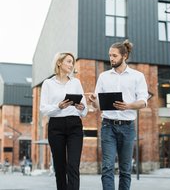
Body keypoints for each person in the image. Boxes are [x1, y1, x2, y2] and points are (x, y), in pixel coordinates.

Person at [89, 40, 148, 190]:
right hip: (108, 125)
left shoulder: (137, 76)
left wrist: (128, 105)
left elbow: (143, 102)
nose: (111, 58)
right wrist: (94, 101)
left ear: (125, 56)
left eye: (114, 55)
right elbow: (98, 106)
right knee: (107, 166)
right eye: (110, 55)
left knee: (125, 169)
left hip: (128, 127)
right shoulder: (104, 76)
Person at [40, 52, 88, 190]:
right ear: (59, 63)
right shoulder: (48, 83)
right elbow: (43, 108)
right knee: (60, 167)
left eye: (72, 62)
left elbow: (84, 111)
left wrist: (81, 107)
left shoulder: (76, 82)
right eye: (68, 61)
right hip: (56, 126)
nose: (71, 65)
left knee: (73, 165)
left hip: (74, 125)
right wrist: (58, 106)